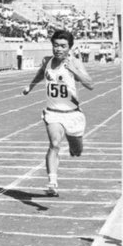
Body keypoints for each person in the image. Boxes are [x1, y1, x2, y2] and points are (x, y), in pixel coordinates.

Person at [21, 30, 94, 196]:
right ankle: (52, 182)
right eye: (55, 45)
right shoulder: (47, 61)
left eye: (63, 46)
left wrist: (73, 71)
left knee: (77, 150)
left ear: (70, 48)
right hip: (53, 112)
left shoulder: (75, 62)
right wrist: (30, 87)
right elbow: (41, 73)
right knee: (54, 143)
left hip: (73, 114)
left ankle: (74, 146)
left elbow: (90, 85)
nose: (58, 49)